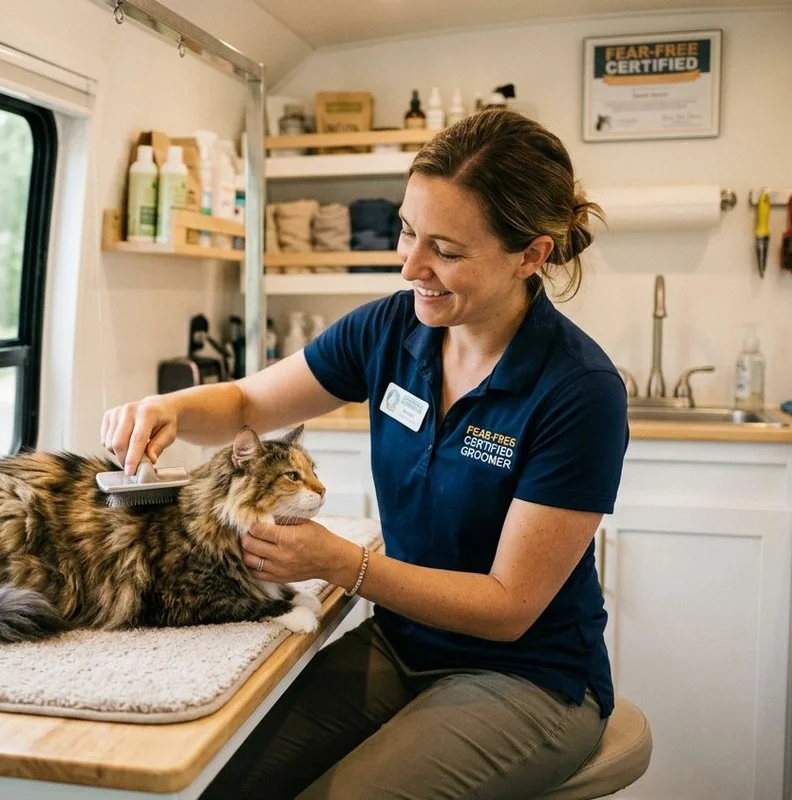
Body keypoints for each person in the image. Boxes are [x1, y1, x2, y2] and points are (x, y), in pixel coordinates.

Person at [101, 108, 629, 800]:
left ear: (530, 255)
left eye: (445, 249)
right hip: (404, 645)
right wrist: (167, 408)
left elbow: (508, 607)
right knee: (220, 779)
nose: (410, 266)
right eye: (409, 232)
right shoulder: (389, 330)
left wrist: (342, 564)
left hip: (528, 677)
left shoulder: (577, 390)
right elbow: (247, 406)